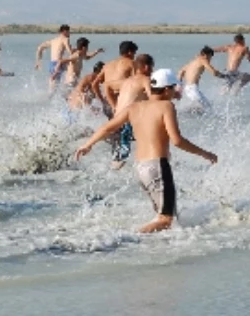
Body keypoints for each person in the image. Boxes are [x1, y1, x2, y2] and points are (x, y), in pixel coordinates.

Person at [75, 69, 217, 233]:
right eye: (173, 89)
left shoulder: (134, 107)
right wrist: (206, 154)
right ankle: (129, 238)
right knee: (166, 221)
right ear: (166, 89)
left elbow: (107, 128)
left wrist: (88, 144)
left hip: (140, 168)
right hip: (157, 167)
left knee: (168, 219)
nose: (175, 93)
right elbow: (177, 141)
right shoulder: (166, 106)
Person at [107, 54, 155, 166]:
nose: (152, 71)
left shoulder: (126, 81)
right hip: (127, 120)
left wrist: (114, 106)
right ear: (146, 67)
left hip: (116, 119)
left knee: (118, 154)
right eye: (152, 68)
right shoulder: (145, 80)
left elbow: (107, 87)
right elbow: (153, 98)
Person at [177, 46, 225, 111]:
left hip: (189, 88)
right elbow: (214, 73)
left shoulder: (193, 61)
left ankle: (185, 112)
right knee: (207, 108)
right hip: (192, 89)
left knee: (207, 106)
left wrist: (179, 86)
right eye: (210, 57)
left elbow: (181, 71)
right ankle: (183, 113)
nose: (210, 59)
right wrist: (225, 76)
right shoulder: (203, 60)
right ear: (206, 55)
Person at [100, 41, 138, 111]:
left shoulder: (107, 65)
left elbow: (94, 84)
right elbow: (136, 82)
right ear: (130, 52)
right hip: (121, 101)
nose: (134, 56)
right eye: (134, 53)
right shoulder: (132, 63)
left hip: (108, 101)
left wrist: (101, 100)